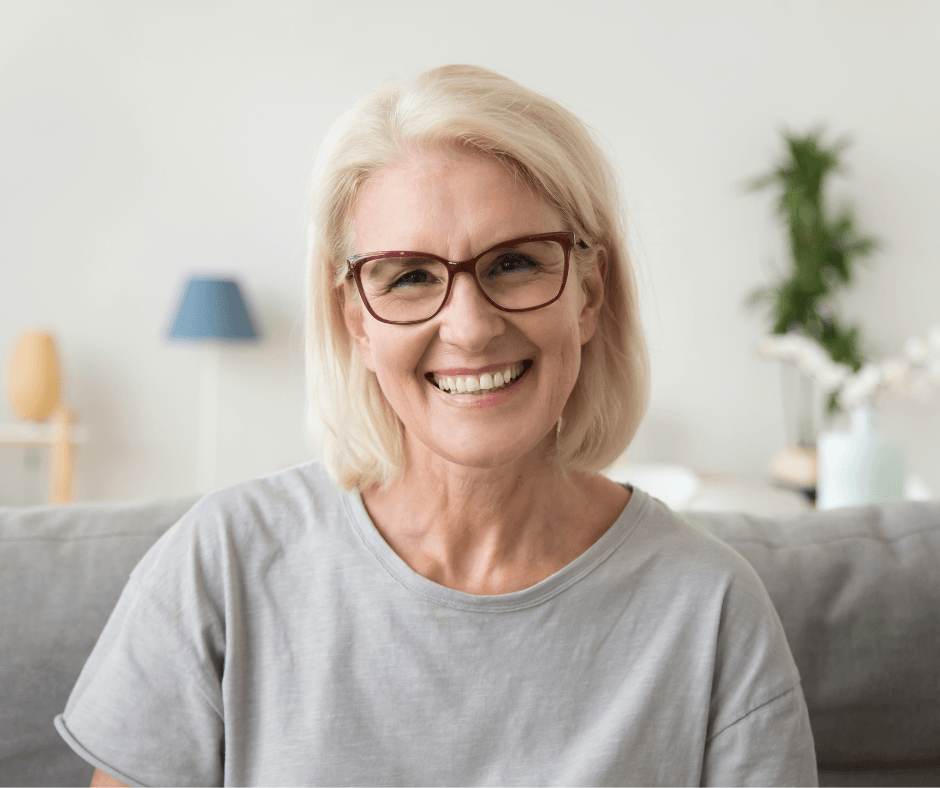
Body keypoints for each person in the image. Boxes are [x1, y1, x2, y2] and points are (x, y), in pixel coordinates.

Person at [56, 64, 817, 786]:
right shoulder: (220, 565)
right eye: (411, 276)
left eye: (514, 262)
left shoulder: (712, 610)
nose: (472, 327)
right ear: (355, 318)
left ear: (588, 294)